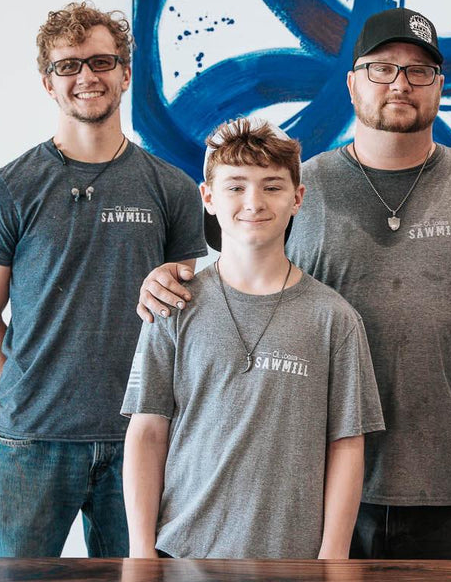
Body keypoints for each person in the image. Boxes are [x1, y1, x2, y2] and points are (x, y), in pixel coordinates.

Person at [137, 8, 451, 560]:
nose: (401, 84)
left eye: (420, 71)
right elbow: (236, 283)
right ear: (352, 82)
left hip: (447, 486)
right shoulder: (296, 190)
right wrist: (167, 275)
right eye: (382, 68)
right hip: (313, 496)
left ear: (440, 85)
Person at [0, 2, 205, 557]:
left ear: (124, 72)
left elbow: (182, 313)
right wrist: (36, 388)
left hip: (140, 439)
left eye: (101, 62)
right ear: (48, 83)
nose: (86, 77)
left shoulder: (170, 188)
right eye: (68, 66)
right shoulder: (6, 190)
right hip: (30, 441)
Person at [120, 118, 384, 559]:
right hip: (181, 556)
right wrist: (140, 554)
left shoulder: (334, 320)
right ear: (208, 198)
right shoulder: (172, 308)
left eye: (272, 186)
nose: (254, 202)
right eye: (236, 186)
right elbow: (147, 431)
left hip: (293, 565)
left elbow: (347, 444)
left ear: (298, 198)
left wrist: (333, 557)